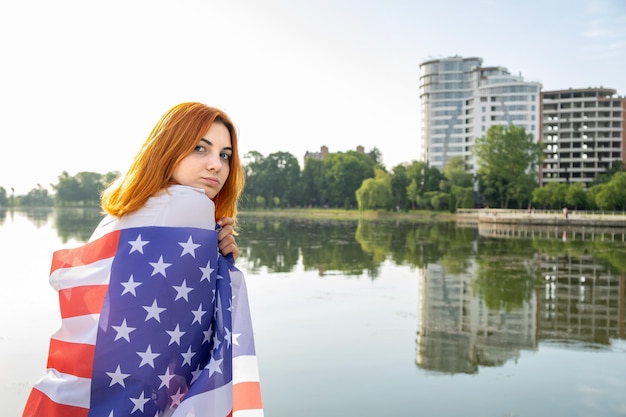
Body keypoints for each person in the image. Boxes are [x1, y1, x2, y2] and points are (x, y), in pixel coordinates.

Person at [22, 102, 263, 417]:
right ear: (169, 149)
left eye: (224, 155)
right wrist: (222, 263)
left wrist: (216, 255)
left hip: (83, 392)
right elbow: (201, 333)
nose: (215, 165)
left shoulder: (128, 210)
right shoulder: (191, 205)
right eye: (200, 149)